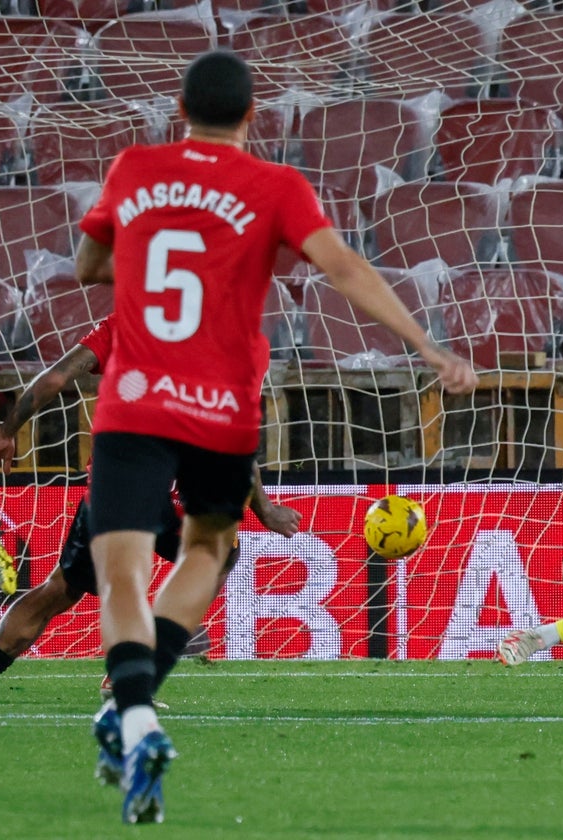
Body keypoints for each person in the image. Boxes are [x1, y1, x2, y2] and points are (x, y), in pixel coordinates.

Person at [73, 49, 478, 824]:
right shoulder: (274, 185)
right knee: (210, 551)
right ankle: (131, 712)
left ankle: (133, 716)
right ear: (254, 115)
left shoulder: (134, 167)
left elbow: (91, 261)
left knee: (119, 571)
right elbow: (344, 268)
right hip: (222, 409)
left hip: (133, 399)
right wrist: (426, 347)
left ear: (178, 111)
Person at [0, 314, 301, 703]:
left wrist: (5, 433)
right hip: (178, 482)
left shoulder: (132, 321)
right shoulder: (247, 342)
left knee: (60, 590)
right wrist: (265, 508)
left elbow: (56, 376)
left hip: (116, 479)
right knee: (216, 554)